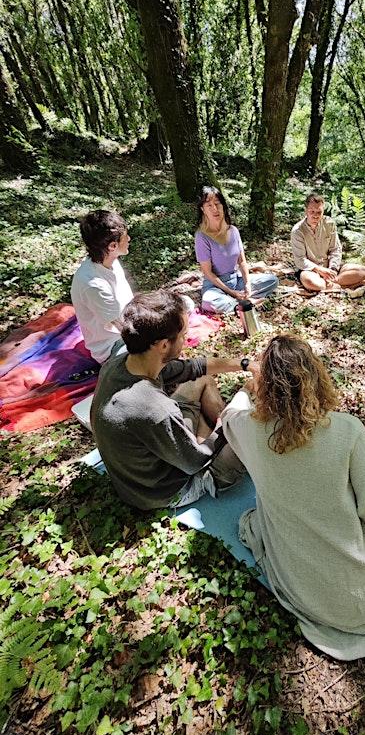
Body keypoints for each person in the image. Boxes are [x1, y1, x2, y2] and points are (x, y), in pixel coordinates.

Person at [221, 335, 365, 660]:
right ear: (316, 376)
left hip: (300, 588)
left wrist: (246, 389)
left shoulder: (247, 427)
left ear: (266, 386)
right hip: (360, 595)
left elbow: (230, 414)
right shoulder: (346, 430)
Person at [91, 289, 252, 510]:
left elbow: (193, 368)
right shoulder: (155, 409)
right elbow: (195, 462)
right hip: (165, 491)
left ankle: (203, 432)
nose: (186, 340)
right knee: (248, 430)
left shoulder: (123, 364)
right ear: (164, 345)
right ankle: (212, 439)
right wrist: (230, 420)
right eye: (184, 335)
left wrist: (245, 364)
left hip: (145, 469)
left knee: (202, 381)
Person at [195, 186, 278, 313]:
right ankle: (241, 304)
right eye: (209, 205)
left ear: (223, 206)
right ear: (203, 209)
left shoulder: (233, 231)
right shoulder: (201, 237)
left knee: (272, 280)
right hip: (215, 286)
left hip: (236, 280)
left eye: (217, 204)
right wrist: (231, 292)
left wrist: (247, 284)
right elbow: (208, 273)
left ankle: (242, 300)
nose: (215, 209)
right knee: (208, 301)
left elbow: (242, 262)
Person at [70, 209, 134, 363]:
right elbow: (123, 328)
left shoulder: (110, 261)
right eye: (126, 236)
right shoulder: (94, 285)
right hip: (114, 345)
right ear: (112, 246)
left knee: (184, 304)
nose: (129, 239)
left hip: (129, 322)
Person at [290, 193, 365, 293]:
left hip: (330, 267)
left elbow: (335, 249)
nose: (315, 215)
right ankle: (338, 284)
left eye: (319, 212)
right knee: (311, 282)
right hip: (311, 270)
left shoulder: (329, 224)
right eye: (312, 211)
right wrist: (320, 270)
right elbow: (300, 259)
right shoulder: (298, 230)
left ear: (323, 211)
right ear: (306, 210)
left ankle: (331, 283)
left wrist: (333, 269)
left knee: (364, 271)